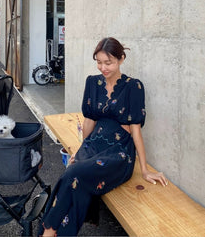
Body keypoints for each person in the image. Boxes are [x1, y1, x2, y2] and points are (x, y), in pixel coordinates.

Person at [39, 37, 168, 237]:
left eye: (109, 62)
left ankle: (48, 229)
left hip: (119, 153)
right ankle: (58, 232)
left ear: (121, 59)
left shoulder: (133, 86)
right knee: (75, 176)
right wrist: (81, 152)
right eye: (99, 62)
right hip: (93, 144)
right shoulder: (92, 82)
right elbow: (89, 120)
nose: (103, 67)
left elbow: (135, 130)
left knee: (74, 175)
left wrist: (143, 170)